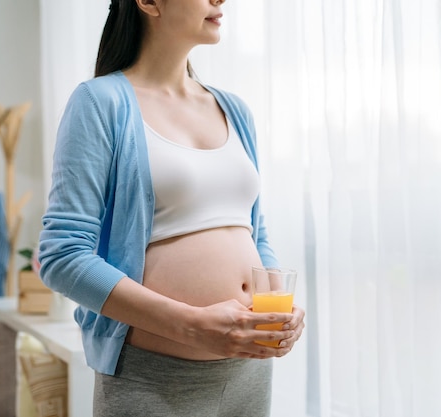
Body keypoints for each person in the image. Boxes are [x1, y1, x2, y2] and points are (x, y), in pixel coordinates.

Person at [37, 0, 305, 416]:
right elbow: (63, 255)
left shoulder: (234, 109)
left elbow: (254, 231)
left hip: (249, 373)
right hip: (153, 378)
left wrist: (278, 307)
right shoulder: (100, 102)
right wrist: (190, 325)